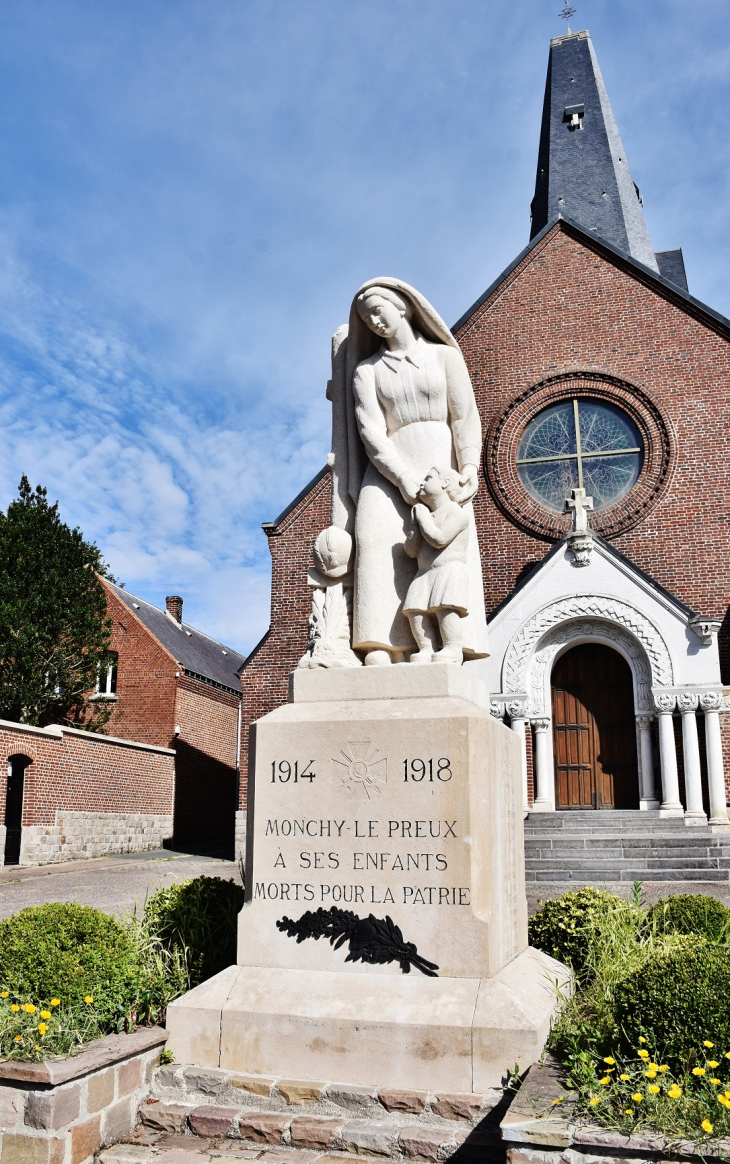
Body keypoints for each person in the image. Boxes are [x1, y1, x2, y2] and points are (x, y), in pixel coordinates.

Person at [333, 278, 488, 665]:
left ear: (402, 307)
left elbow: (464, 416)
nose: (374, 322)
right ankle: (383, 645)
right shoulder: (366, 371)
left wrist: (469, 466)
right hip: (389, 468)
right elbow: (370, 430)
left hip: (440, 463)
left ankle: (446, 644)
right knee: (373, 539)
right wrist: (402, 478)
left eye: (379, 312)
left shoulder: (444, 357)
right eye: (367, 319)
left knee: (442, 554)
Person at [403, 467, 470, 665]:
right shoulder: (426, 515)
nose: (422, 483)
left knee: (446, 609)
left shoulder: (457, 514)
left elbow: (440, 539)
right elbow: (411, 551)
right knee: (415, 611)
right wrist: (414, 526)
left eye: (428, 478)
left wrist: (423, 519)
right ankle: (426, 647)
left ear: (445, 483)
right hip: (425, 572)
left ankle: (453, 648)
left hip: (449, 569)